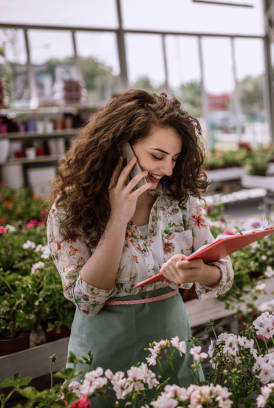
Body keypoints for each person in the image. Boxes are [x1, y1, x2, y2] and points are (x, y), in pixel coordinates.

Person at [46, 89, 233, 392]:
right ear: (119, 147)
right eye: (157, 156)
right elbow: (87, 299)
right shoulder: (69, 210)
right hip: (103, 354)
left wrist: (195, 272)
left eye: (174, 158)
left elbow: (223, 273)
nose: (168, 169)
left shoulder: (179, 201)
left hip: (172, 345)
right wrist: (119, 217)